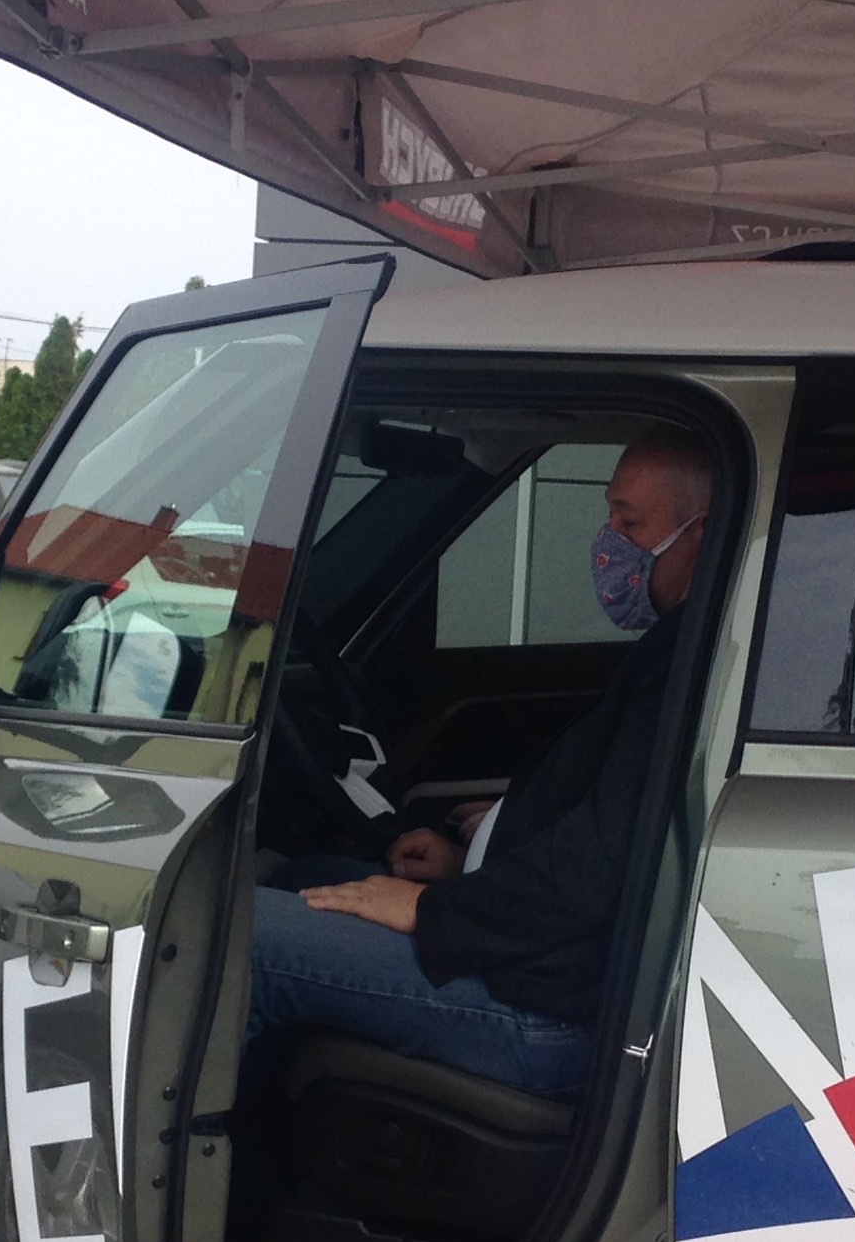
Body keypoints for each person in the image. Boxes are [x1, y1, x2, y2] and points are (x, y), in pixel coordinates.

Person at [243, 426, 713, 1099]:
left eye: (630, 522)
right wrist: (472, 862)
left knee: (240, 938)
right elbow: (606, 827)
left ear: (702, 534)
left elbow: (597, 872)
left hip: (549, 1009)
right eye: (610, 515)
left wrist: (436, 911)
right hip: (539, 954)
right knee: (308, 876)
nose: (609, 540)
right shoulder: (677, 646)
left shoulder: (688, 667)